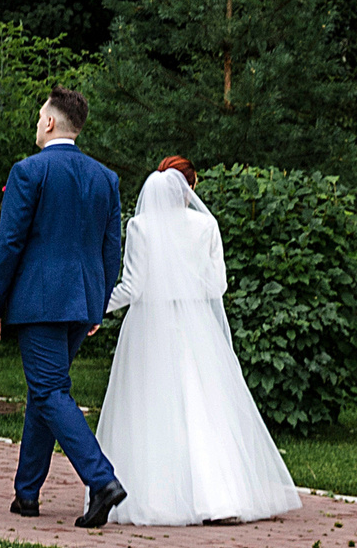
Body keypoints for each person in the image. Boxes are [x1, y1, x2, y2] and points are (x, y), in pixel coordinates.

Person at [96, 159, 301, 526]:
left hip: (149, 327)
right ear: (190, 187)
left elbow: (133, 287)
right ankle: (220, 497)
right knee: (202, 406)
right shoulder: (206, 225)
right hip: (195, 327)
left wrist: (95, 309)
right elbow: (216, 286)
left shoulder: (141, 226)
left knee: (152, 408)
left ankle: (158, 497)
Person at [0, 86, 127, 527]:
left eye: (38, 115)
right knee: (43, 393)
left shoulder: (29, 172)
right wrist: (97, 305)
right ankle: (27, 493)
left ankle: (102, 480)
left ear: (49, 122)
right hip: (80, 302)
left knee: (48, 392)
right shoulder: (105, 177)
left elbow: (10, 243)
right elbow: (110, 248)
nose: (36, 121)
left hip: (40, 302)